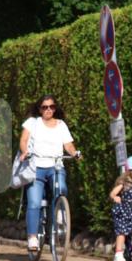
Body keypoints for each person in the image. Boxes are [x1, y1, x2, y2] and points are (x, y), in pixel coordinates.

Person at [19, 95, 79, 250]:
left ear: (55, 108)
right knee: (34, 202)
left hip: (55, 166)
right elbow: (23, 140)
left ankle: (59, 211)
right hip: (35, 167)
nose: (48, 110)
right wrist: (25, 152)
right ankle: (32, 237)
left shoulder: (61, 125)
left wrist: (75, 153)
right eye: (45, 107)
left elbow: (69, 145)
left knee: (62, 189)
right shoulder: (33, 123)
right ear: (39, 109)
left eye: (51, 107)